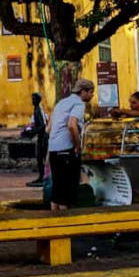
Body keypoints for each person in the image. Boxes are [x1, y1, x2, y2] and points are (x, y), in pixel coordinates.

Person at [48, 78, 94, 211]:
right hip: (66, 150)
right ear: (83, 91)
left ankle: (55, 222)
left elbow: (48, 128)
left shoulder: (61, 102)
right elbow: (72, 125)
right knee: (67, 191)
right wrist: (78, 145)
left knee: (57, 189)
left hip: (53, 149)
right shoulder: (79, 104)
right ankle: (67, 223)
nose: (92, 95)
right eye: (91, 92)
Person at [26, 93, 50, 187]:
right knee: (40, 158)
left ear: (37, 100)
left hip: (43, 137)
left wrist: (33, 132)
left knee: (41, 158)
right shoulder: (37, 109)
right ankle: (42, 176)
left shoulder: (38, 109)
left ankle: (43, 177)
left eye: (34, 98)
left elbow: (42, 125)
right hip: (42, 136)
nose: (32, 100)